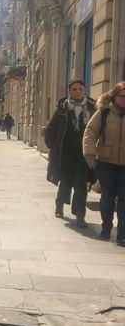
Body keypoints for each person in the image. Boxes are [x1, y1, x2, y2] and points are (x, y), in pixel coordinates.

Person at [45, 79, 96, 227]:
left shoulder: (92, 107)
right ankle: (59, 204)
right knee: (65, 181)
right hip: (65, 153)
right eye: (74, 89)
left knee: (81, 184)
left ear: (84, 90)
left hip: (83, 154)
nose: (77, 92)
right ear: (69, 91)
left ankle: (80, 214)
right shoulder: (62, 108)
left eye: (80, 89)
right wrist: (53, 146)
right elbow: (51, 129)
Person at [83, 80, 125, 245]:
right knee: (108, 197)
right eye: (121, 96)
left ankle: (122, 234)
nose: (124, 99)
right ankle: (106, 227)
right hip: (106, 162)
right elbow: (90, 132)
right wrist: (90, 154)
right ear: (114, 96)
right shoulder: (104, 112)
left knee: (124, 198)